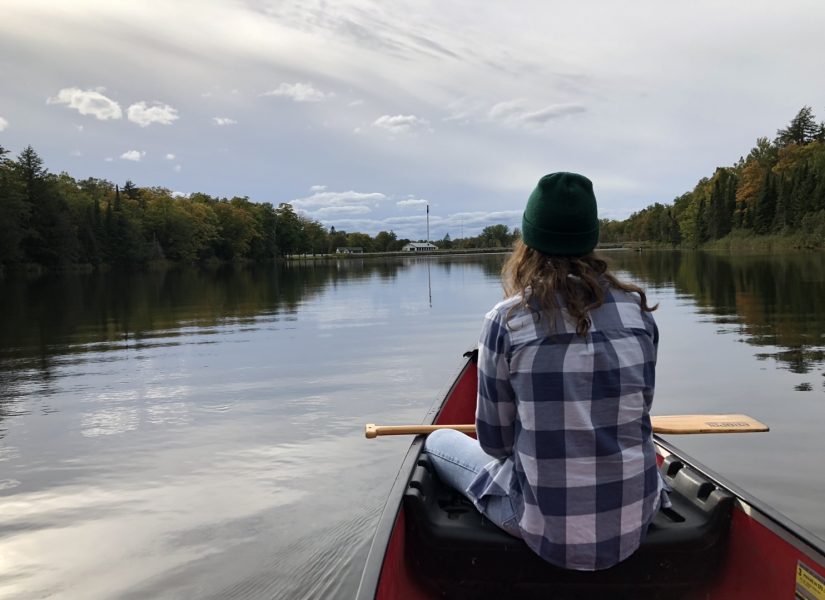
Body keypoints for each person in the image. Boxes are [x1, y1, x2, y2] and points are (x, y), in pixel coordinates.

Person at [424, 172, 669, 571]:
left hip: (545, 531)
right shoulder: (639, 314)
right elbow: (641, 411)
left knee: (437, 443)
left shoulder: (507, 322)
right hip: (634, 520)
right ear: (591, 241)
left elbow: (495, 443)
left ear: (528, 243)